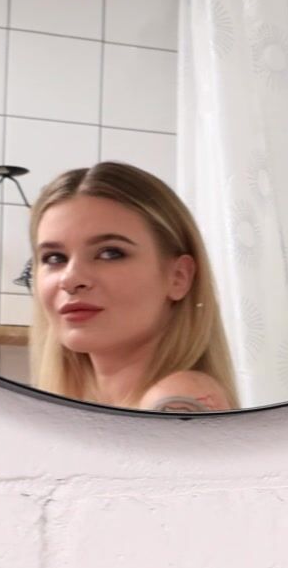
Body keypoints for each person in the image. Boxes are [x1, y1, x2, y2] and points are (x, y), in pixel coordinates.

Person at [27, 162, 238, 412]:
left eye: (110, 253)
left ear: (179, 277)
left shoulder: (178, 399)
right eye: (54, 258)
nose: (70, 279)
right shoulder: (93, 405)